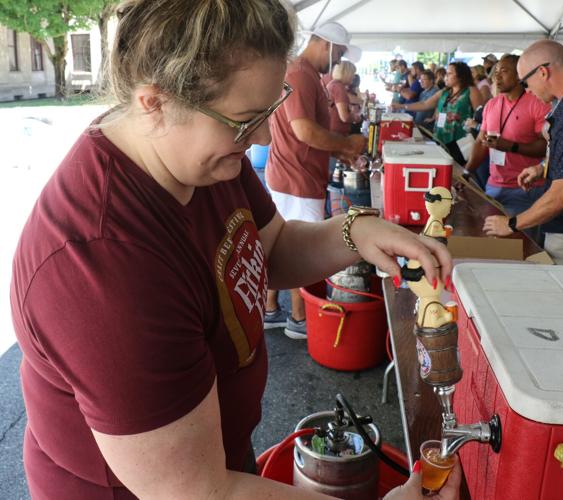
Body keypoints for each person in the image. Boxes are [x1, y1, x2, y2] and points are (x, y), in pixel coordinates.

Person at [10, 1, 457, 499]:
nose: (263, 136)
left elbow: (274, 248)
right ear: (154, 102)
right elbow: (198, 491)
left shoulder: (200, 155)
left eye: (269, 109)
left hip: (217, 458)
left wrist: (356, 233)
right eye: (246, 120)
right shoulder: (102, 263)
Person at [263, 21, 367, 338]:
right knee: (300, 252)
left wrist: (340, 153)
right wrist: (347, 145)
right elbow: (304, 131)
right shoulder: (300, 74)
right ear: (325, 44)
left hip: (291, 174)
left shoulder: (304, 73)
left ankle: (271, 311)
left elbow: (306, 134)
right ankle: (298, 318)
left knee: (279, 245)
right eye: (337, 56)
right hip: (297, 179)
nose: (337, 63)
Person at [483, 40, 563, 266]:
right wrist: (543, 168)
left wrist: (511, 224)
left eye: (525, 82)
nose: (527, 90)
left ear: (542, 72)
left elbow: (562, 196)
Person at [464, 54, 550, 241]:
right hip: (493, 186)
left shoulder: (537, 103)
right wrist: (466, 172)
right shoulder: (492, 105)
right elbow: (481, 141)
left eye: (504, 71)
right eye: (496, 71)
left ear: (520, 75)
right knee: (490, 242)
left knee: (520, 247)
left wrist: (510, 146)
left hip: (525, 189)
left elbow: (547, 146)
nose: (497, 76)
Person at [402, 62, 483, 165]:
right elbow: (425, 104)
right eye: (446, 73)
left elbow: (480, 117)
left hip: (460, 142)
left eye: (449, 73)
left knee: (455, 170)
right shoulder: (445, 92)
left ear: (460, 76)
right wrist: (403, 106)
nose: (446, 76)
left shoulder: (471, 91)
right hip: (440, 138)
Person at [327, 61, 357, 135]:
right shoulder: (339, 87)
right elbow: (345, 117)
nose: (354, 77)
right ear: (347, 73)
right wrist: (355, 117)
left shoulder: (332, 84)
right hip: (337, 132)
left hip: (330, 129)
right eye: (353, 74)